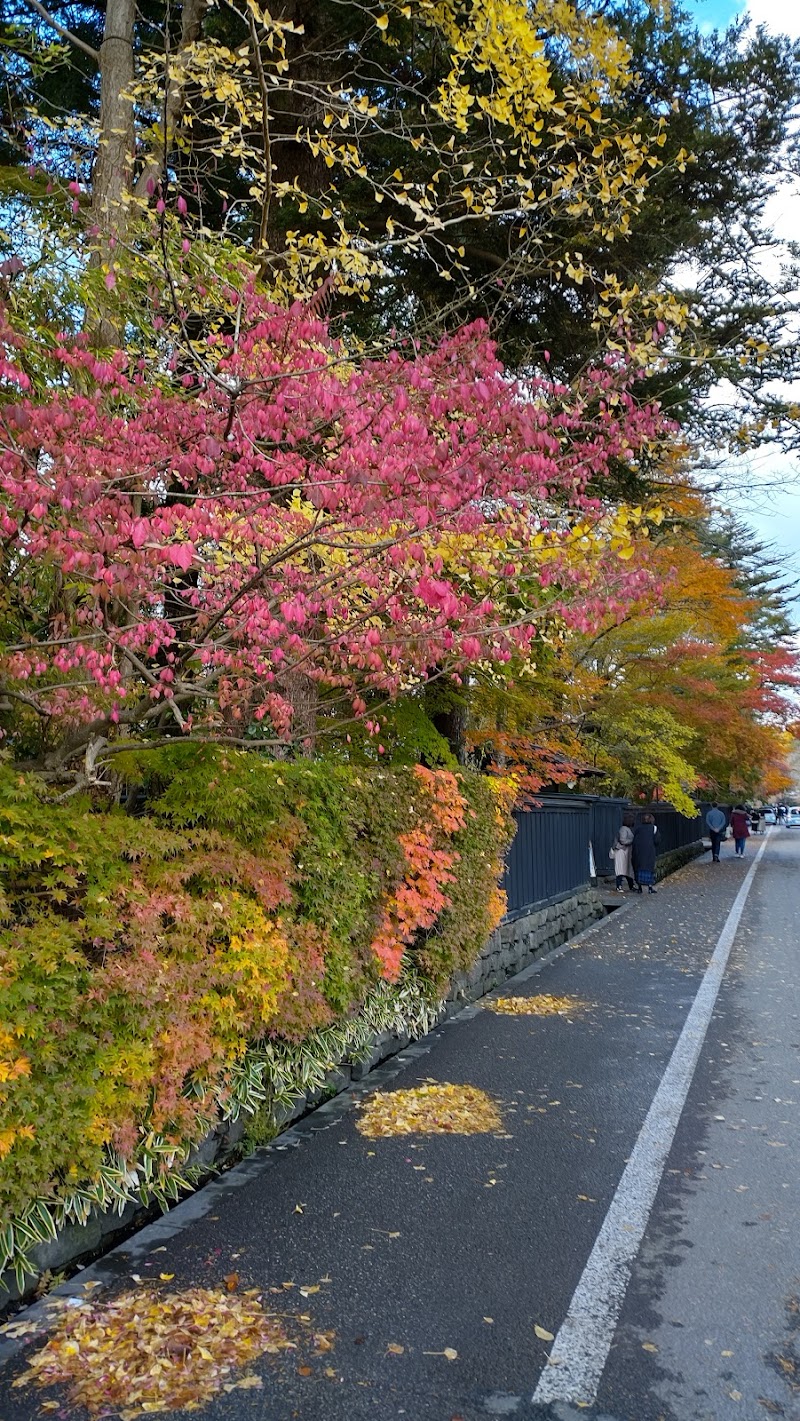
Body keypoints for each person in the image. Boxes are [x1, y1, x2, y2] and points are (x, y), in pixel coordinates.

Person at [632, 812, 661, 894]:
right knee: (649, 868)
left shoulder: (638, 829)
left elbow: (634, 840)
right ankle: (650, 887)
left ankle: (640, 887)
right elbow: (657, 840)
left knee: (639, 868)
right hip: (649, 851)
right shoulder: (654, 828)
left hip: (639, 852)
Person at [610, 812, 635, 893]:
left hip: (624, 851)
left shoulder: (625, 829)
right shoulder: (624, 829)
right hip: (621, 851)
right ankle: (619, 886)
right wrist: (632, 840)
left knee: (625, 869)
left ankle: (629, 886)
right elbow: (623, 840)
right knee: (622, 869)